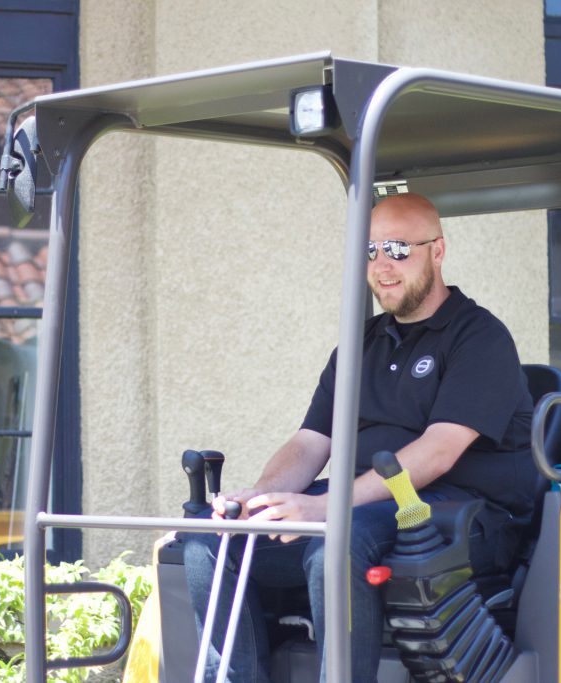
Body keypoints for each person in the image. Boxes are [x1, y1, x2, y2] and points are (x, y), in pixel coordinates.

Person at [183, 193, 536, 683]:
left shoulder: (479, 337)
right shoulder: (359, 344)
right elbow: (310, 442)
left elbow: (437, 453)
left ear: (438, 250)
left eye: (397, 248)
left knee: (337, 542)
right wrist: (260, 499)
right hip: (368, 505)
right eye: (370, 251)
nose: (382, 266)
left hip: (460, 514)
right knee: (211, 542)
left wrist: (329, 506)